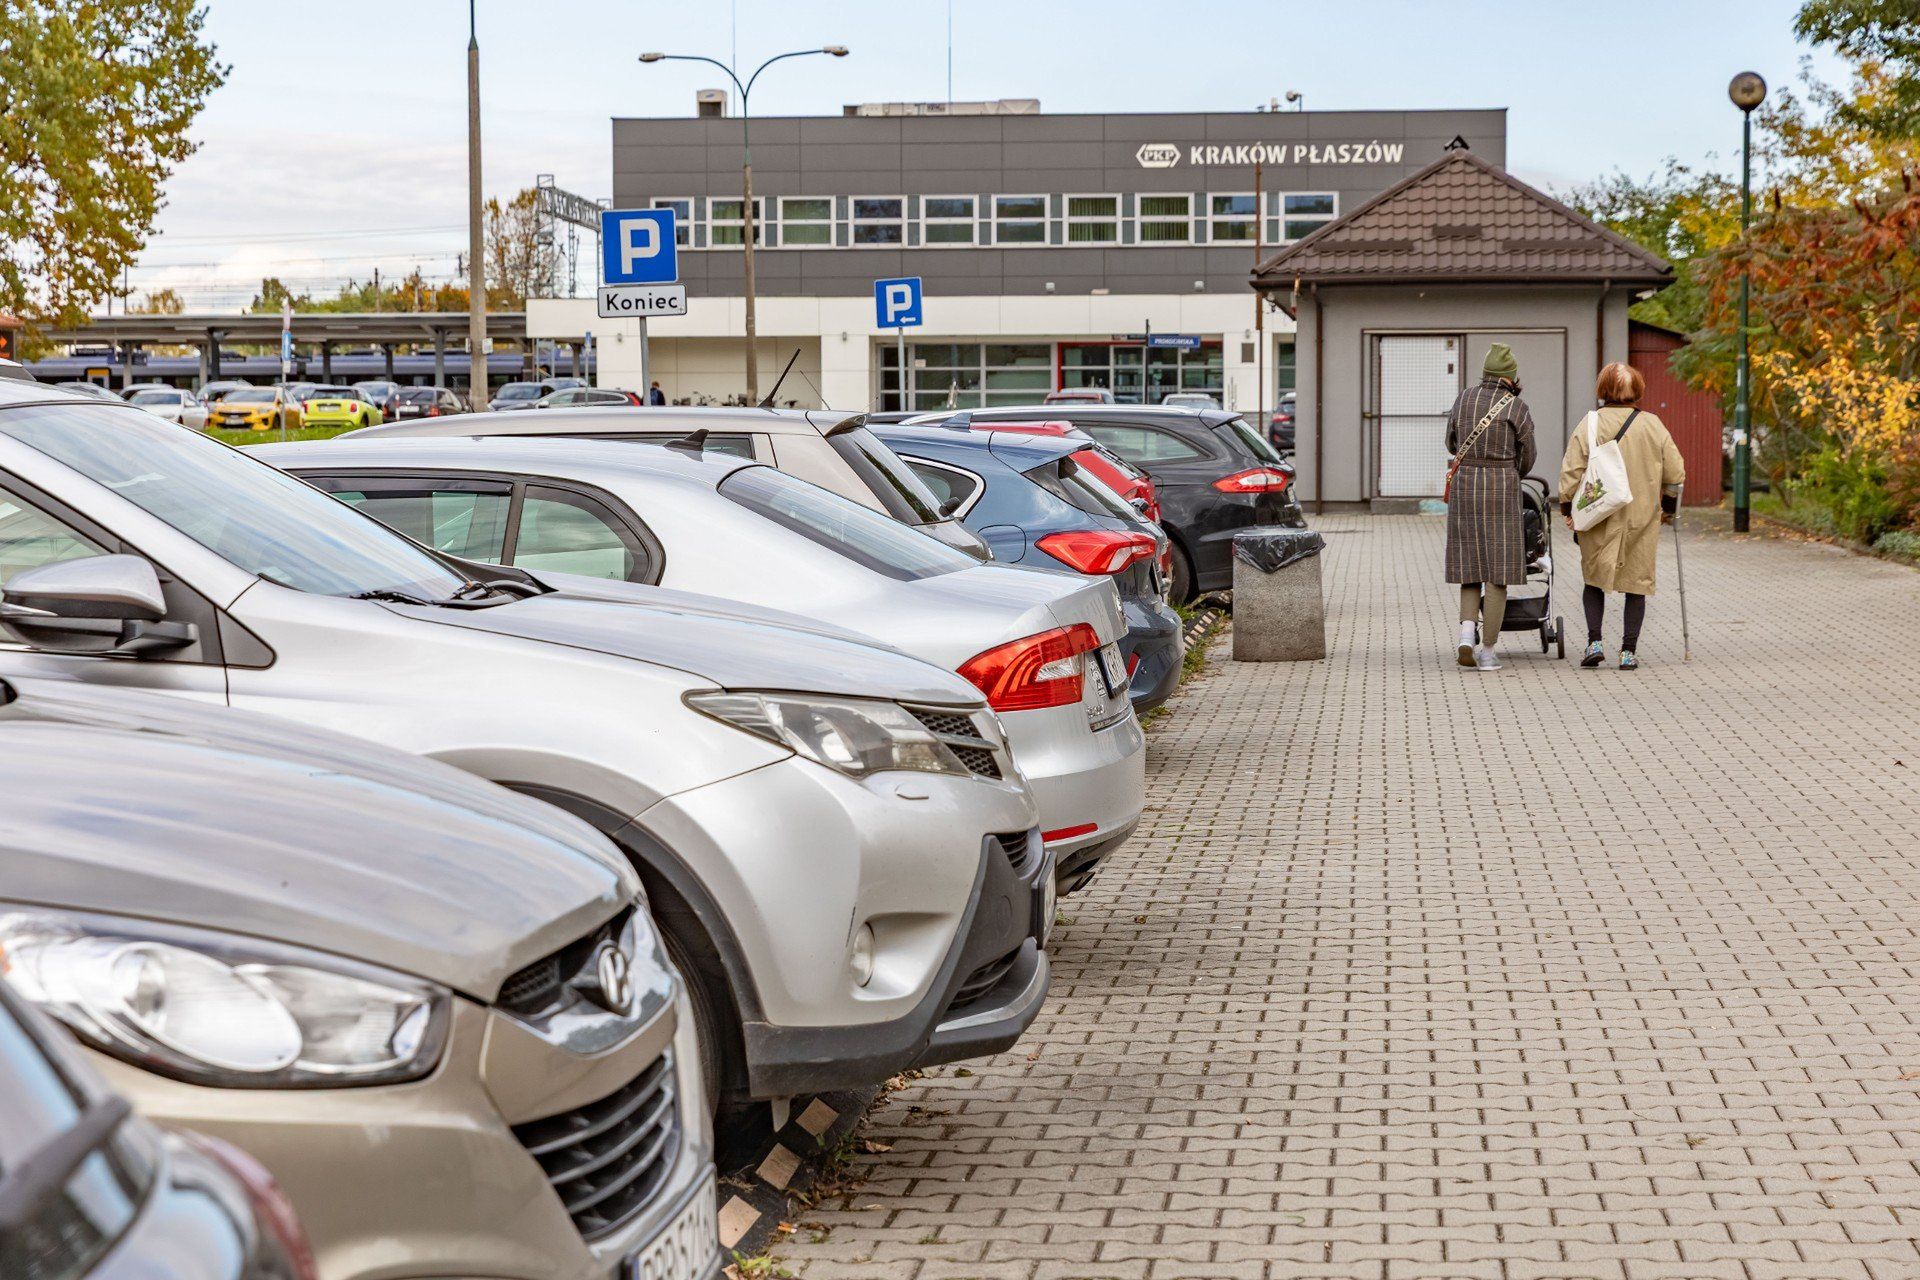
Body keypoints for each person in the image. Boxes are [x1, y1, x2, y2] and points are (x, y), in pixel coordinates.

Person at [1557, 362, 1686, 670]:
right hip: (1640, 516)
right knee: (1636, 582)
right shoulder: (1652, 424)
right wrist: (1668, 506)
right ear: (1637, 390)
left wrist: (1566, 508)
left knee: (1593, 579)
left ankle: (1594, 643)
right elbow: (1676, 470)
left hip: (1597, 513)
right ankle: (1628, 652)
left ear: (1603, 390)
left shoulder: (1589, 423)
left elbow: (1571, 471)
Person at [1444, 342, 1537, 672]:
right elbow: (1528, 457)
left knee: (1470, 568)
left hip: (1466, 488)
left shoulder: (1464, 399)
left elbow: (1451, 442)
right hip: (1501, 490)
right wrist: (1510, 471)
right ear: (1510, 377)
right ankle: (1488, 653)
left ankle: (1466, 635)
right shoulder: (1516, 407)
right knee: (1497, 574)